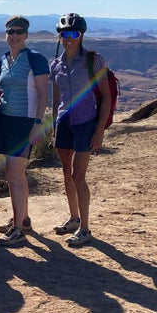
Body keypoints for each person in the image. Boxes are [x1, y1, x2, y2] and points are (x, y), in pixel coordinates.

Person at [49, 13, 111, 247]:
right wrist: (54, 126)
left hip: (86, 122)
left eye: (74, 33)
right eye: (65, 34)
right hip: (64, 122)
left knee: (78, 176)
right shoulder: (55, 65)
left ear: (81, 35)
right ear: (60, 36)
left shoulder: (93, 61)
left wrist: (100, 131)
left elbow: (105, 97)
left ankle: (85, 229)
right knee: (66, 173)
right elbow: (57, 99)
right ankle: (74, 218)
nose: (69, 38)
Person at [0, 15, 50, 247]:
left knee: (13, 176)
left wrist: (37, 125)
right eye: (10, 31)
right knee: (16, 176)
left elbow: (42, 94)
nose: (14, 35)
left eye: (19, 31)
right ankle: (23, 219)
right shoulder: (4, 59)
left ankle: (17, 229)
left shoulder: (35, 59)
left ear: (26, 35)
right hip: (6, 121)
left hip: (24, 122)